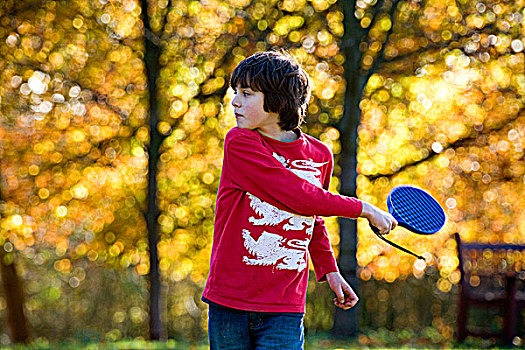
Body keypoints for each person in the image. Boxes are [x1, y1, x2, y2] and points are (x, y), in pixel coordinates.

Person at [202, 50, 397, 349]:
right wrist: (364, 209)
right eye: (235, 93)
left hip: (284, 304)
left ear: (278, 100)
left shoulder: (319, 156)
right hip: (231, 300)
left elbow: (312, 215)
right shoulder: (240, 142)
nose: (235, 101)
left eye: (247, 93)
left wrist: (329, 270)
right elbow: (296, 195)